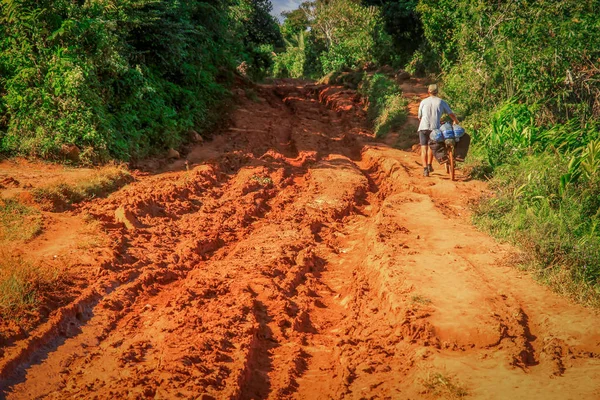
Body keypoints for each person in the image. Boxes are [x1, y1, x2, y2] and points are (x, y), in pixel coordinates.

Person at [417, 84, 459, 177]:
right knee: (432, 147)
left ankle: (425, 170)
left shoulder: (423, 102)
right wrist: (456, 121)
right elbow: (450, 113)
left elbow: (419, 117)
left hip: (423, 128)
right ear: (437, 92)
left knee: (423, 148)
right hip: (434, 129)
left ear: (428, 91)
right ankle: (429, 165)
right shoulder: (441, 102)